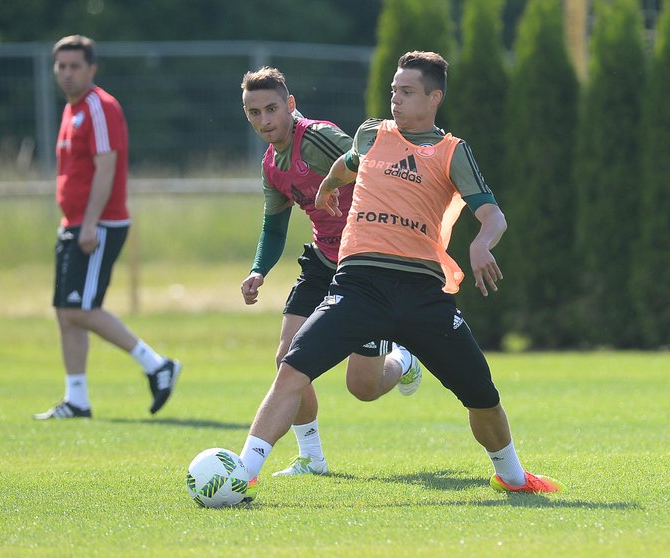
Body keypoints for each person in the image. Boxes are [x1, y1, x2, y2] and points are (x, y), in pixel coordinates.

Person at [239, 51, 566, 497]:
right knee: (292, 367)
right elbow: (346, 163)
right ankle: (242, 472)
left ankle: (513, 477)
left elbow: (493, 215)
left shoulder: (453, 152)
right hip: (357, 286)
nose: (395, 99)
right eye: (394, 90)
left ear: (434, 98)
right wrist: (329, 187)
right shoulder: (371, 134)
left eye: (407, 92)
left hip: (422, 294)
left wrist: (480, 243)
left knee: (482, 394)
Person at [239, 67, 422, 477]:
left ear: (290, 105)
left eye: (272, 109)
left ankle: (404, 359)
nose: (264, 120)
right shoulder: (271, 165)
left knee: (363, 388)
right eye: (254, 113)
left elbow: (373, 163)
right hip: (323, 261)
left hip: (366, 265)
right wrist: (258, 271)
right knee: (287, 357)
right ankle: (312, 458)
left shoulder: (317, 137)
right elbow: (274, 225)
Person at [34, 35, 180, 420]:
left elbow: (107, 165)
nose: (67, 73)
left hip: (98, 224)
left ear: (91, 68)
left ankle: (156, 364)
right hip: (76, 223)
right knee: (67, 312)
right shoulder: (72, 110)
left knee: (82, 308)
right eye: (61, 66)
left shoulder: (99, 106)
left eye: (75, 66)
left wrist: (90, 224)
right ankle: (76, 398)